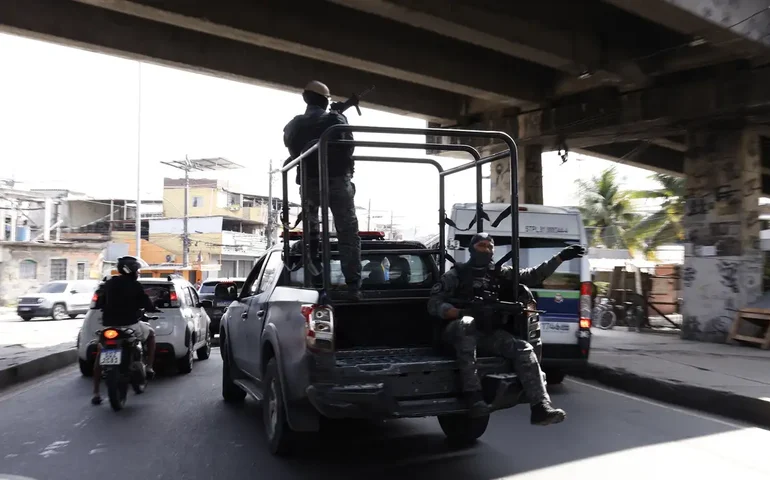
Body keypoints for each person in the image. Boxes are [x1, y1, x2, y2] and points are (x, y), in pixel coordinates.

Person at [427, 233, 586, 425]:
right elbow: (434, 304)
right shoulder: (456, 274)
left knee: (523, 348)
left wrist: (560, 257)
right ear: (471, 249)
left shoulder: (500, 273)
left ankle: (540, 406)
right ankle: (473, 395)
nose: (486, 250)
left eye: (490, 247)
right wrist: (462, 312)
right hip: (455, 332)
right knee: (466, 325)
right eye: (481, 246)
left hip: (486, 334)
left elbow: (533, 275)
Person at [283, 80, 362, 299]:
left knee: (312, 234)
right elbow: (347, 146)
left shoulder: (293, 125)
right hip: (338, 183)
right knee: (347, 233)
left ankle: (316, 280)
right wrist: (340, 113)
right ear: (326, 100)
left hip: (309, 184)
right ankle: (354, 286)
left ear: (305, 98)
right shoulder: (336, 120)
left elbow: (294, 146)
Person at [91, 256, 159, 406]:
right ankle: (149, 367)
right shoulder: (135, 286)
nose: (138, 273)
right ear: (133, 271)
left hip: (109, 327)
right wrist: (152, 307)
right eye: (137, 270)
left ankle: (96, 392)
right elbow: (147, 304)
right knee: (152, 334)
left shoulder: (109, 283)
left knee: (101, 352)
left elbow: (99, 302)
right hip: (130, 326)